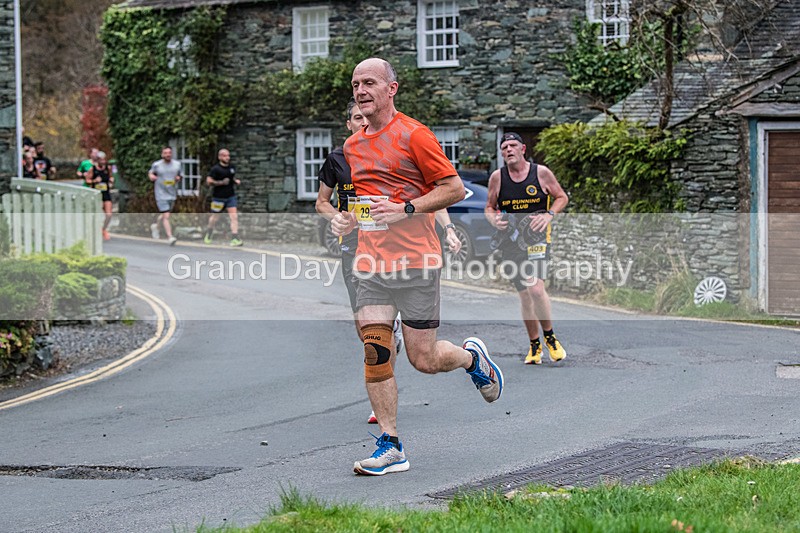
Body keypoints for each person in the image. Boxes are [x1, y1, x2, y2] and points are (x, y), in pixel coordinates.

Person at [331, 57, 503, 476]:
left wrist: (406, 208)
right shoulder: (352, 147)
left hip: (417, 262)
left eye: (369, 82)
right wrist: (345, 219)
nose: (360, 90)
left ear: (391, 88)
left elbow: (454, 189)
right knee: (375, 351)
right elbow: (364, 204)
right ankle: (391, 444)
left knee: (423, 359)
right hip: (371, 263)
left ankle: (471, 359)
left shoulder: (414, 135)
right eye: (355, 84)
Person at [317, 98, 463, 426]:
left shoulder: (407, 141)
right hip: (359, 252)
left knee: (424, 359)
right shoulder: (343, 155)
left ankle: (467, 358)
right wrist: (337, 218)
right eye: (356, 117)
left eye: (365, 115)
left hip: (412, 257)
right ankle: (387, 428)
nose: (362, 121)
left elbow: (443, 191)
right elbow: (324, 203)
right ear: (348, 124)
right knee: (371, 341)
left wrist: (445, 227)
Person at [485, 132, 568, 365]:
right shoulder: (497, 178)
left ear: (523, 149)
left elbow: (561, 197)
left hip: (537, 240)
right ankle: (534, 345)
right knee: (524, 295)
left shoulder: (541, 173)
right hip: (511, 243)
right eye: (504, 147)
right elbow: (489, 207)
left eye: (513, 145)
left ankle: (550, 338)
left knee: (536, 290)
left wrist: (549, 215)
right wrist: (494, 220)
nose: (508, 150)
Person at [203, 148, 243, 247]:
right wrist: (221, 182)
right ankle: (209, 233)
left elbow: (231, 178)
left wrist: (235, 181)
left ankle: (234, 238)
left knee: (234, 217)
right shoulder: (215, 169)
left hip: (230, 196)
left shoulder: (232, 167)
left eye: (228, 155)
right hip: (218, 198)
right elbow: (208, 181)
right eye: (225, 156)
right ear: (220, 157)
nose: (227, 158)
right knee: (215, 218)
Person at [148, 146, 182, 246]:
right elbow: (150, 173)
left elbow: (180, 175)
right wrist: (151, 176)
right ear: (162, 154)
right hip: (160, 193)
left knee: (165, 215)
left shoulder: (177, 164)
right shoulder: (157, 165)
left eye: (169, 153)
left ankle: (156, 227)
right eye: (165, 153)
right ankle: (170, 237)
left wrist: (178, 178)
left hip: (172, 193)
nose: (168, 155)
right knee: (166, 216)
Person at [86, 151, 114, 241]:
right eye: (101, 160)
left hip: (106, 193)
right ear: (97, 160)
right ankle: (94, 231)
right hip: (97, 195)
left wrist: (111, 180)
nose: (103, 162)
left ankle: (103, 229)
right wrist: (94, 181)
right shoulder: (92, 169)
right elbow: (87, 180)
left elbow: (110, 176)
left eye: (104, 160)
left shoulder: (107, 168)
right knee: (96, 215)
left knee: (109, 214)